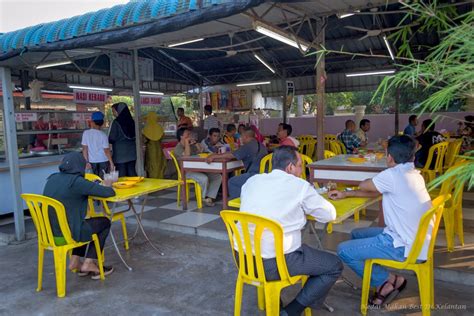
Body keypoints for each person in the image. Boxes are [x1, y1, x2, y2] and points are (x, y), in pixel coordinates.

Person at [240, 146, 342, 315]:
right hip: (273, 264)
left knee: (285, 245)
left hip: (244, 259)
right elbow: (329, 214)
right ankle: (291, 311)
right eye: (300, 165)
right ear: (290, 167)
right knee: (334, 265)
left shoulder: (252, 181)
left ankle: (273, 300)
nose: (302, 170)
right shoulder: (299, 186)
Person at [331, 135, 431, 307]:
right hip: (415, 239)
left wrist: (355, 187)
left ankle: (386, 282)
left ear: (389, 157)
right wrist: (346, 194)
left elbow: (365, 185)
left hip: (403, 246)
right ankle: (390, 279)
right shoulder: (414, 173)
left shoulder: (392, 175)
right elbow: (378, 190)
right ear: (412, 156)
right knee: (357, 234)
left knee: (343, 250)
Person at [43, 152, 116, 279]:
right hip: (66, 234)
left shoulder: (52, 178)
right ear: (79, 165)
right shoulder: (76, 182)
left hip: (49, 233)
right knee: (104, 222)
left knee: (81, 223)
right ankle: (89, 263)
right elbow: (108, 193)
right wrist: (108, 184)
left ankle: (75, 261)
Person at [207, 127, 267, 198]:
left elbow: (231, 155)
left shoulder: (247, 146)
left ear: (246, 137)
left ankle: (240, 203)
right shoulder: (261, 145)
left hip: (254, 175)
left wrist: (214, 156)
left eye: (241, 136)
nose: (241, 138)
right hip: (265, 174)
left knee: (232, 182)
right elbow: (235, 153)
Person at [174, 128, 222, 206]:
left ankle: (209, 197)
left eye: (190, 134)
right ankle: (203, 198)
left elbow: (200, 152)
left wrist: (196, 144)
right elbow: (186, 156)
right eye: (187, 134)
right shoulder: (178, 148)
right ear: (181, 136)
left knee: (217, 176)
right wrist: (187, 143)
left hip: (197, 169)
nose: (190, 135)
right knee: (204, 178)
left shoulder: (191, 145)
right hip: (186, 172)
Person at [82, 111, 114, 178]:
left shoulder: (86, 133)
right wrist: (111, 163)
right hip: (103, 161)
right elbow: (106, 151)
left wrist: (86, 162)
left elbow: (85, 149)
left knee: (94, 181)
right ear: (102, 123)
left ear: (92, 122)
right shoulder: (103, 135)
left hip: (92, 162)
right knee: (104, 181)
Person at [109, 102, 137, 177]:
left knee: (122, 175)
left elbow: (112, 138)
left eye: (114, 111)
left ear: (119, 111)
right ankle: (136, 188)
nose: (113, 113)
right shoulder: (132, 122)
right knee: (132, 172)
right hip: (132, 153)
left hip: (120, 155)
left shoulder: (116, 122)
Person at [143, 112, 166, 179]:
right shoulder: (159, 127)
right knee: (159, 163)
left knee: (151, 164)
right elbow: (162, 136)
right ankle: (160, 178)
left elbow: (144, 138)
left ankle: (153, 180)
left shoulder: (146, 128)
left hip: (150, 148)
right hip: (158, 147)